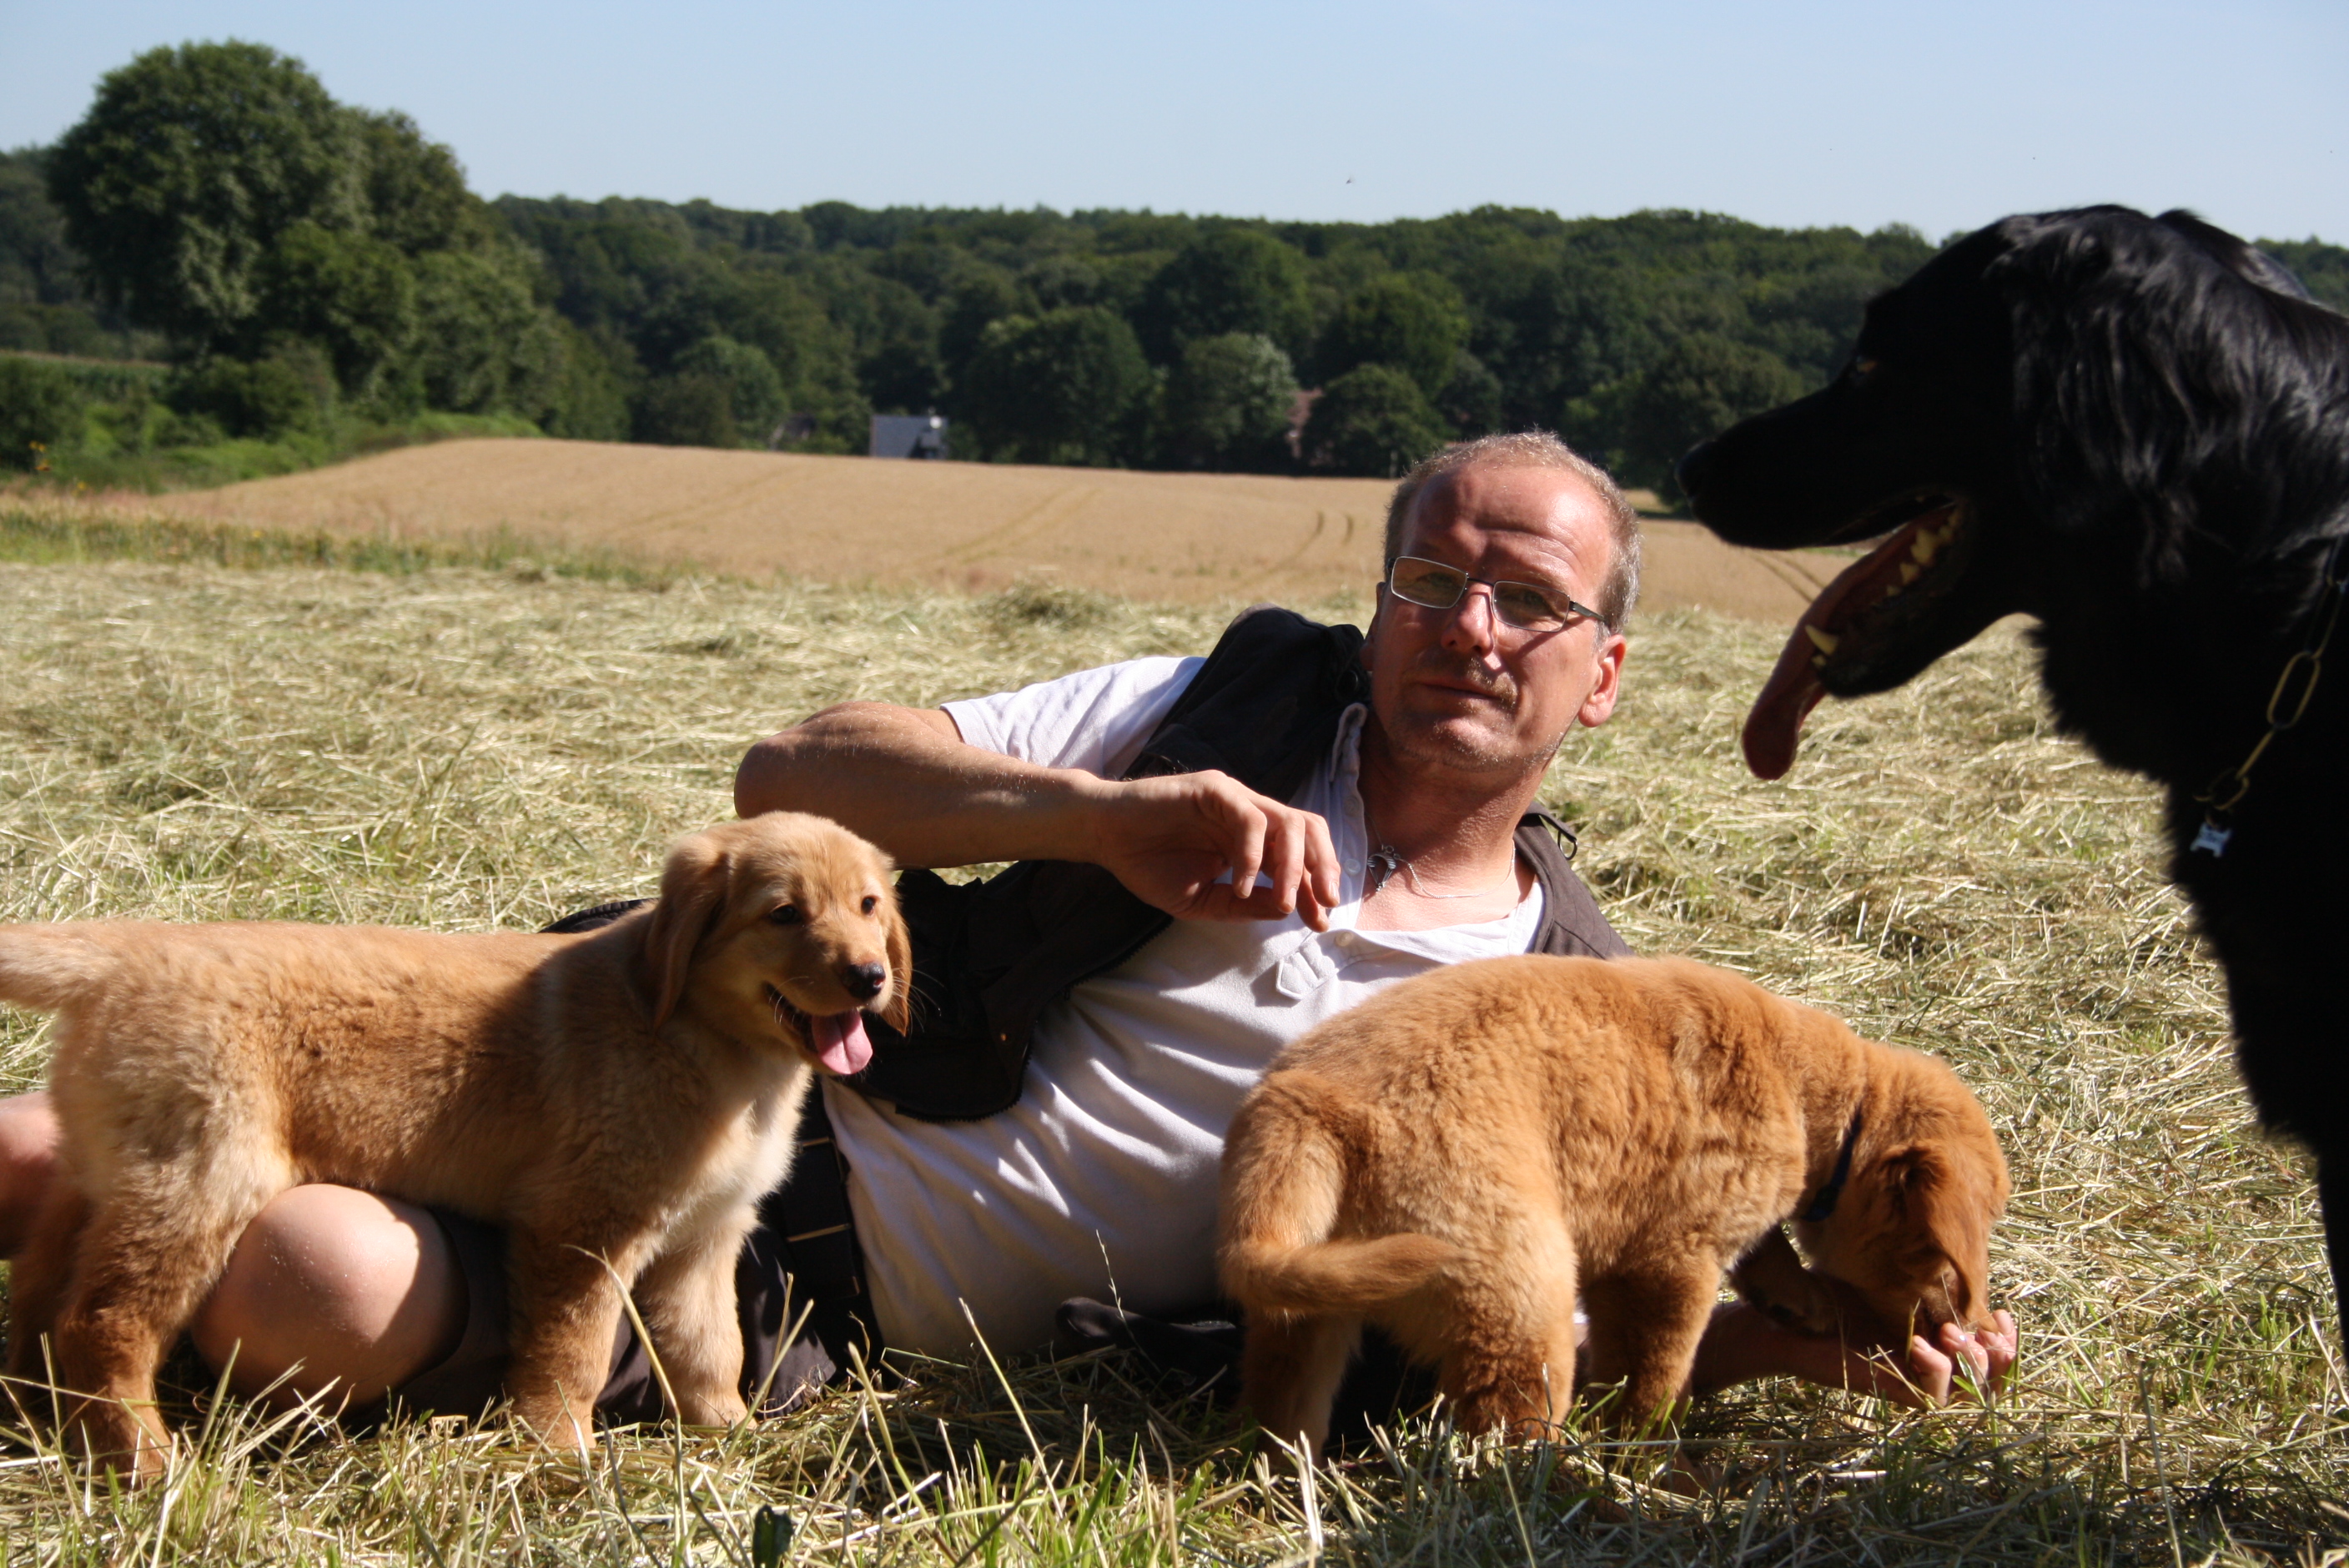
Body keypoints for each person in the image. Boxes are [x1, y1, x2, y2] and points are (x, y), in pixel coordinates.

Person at [0, 432, 2015, 1420]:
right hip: (690, 1097)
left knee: (302, 1276)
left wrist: (1812, 1347)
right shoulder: (1215, 711)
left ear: (1608, 673)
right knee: (180, 1137)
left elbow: (1527, 1308)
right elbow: (793, 763)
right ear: (1379, 599)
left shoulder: (1576, 999)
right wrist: (1103, 821)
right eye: (1429, 582)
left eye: (1527, 605)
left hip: (814, 1326)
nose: (1465, 629)